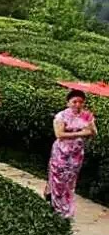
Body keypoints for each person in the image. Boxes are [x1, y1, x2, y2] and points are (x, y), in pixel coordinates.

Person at [47, 89, 97, 219]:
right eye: (74, 102)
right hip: (61, 152)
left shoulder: (87, 116)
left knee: (70, 181)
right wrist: (81, 133)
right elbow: (59, 134)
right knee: (58, 178)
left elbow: (93, 132)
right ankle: (57, 207)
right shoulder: (61, 116)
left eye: (81, 102)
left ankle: (67, 207)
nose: (77, 105)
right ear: (68, 102)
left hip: (76, 154)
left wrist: (90, 126)